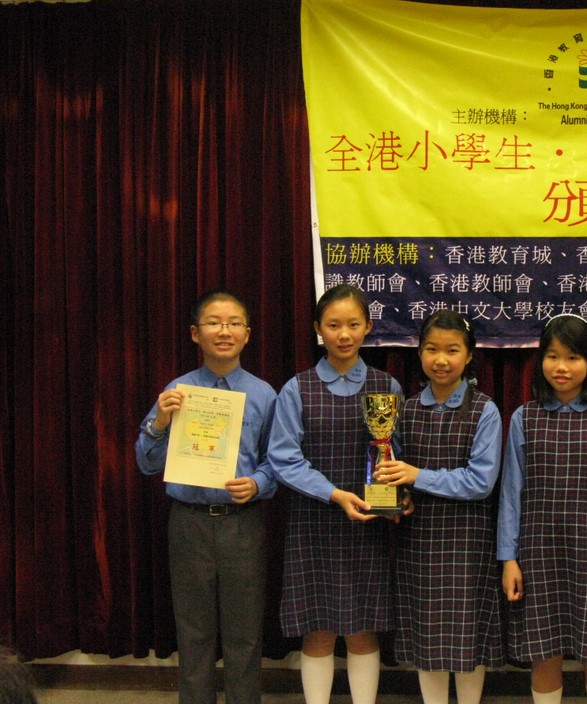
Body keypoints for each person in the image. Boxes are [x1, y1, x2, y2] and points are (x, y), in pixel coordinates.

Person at [135, 290, 277, 704]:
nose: (224, 331)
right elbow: (146, 463)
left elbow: (278, 461)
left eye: (234, 323)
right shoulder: (178, 391)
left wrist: (258, 483)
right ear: (196, 333)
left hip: (242, 524)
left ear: (247, 334)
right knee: (193, 634)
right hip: (189, 523)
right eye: (214, 322)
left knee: (244, 636)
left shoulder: (265, 394)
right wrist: (160, 423)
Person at [267, 284, 403, 704]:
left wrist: (398, 497)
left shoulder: (387, 387)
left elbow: (396, 454)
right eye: (333, 325)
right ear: (317, 329)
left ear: (368, 328)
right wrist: (333, 494)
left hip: (368, 523)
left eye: (353, 324)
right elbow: (283, 458)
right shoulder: (297, 388)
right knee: (318, 628)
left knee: (363, 628)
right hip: (314, 523)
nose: (344, 334)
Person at [498, 314, 587, 704]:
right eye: (553, 356)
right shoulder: (525, 418)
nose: (562, 367)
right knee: (544, 653)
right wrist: (508, 558)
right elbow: (511, 494)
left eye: (573, 357)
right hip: (537, 555)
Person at [374, 310, 503, 704]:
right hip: (420, 542)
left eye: (452, 350)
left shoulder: (485, 410)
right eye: (431, 349)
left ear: (469, 356)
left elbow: (480, 482)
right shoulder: (406, 409)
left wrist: (417, 476)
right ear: (419, 353)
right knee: (426, 639)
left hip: (468, 543)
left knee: (468, 640)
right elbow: (395, 471)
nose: (441, 360)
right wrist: (397, 499)